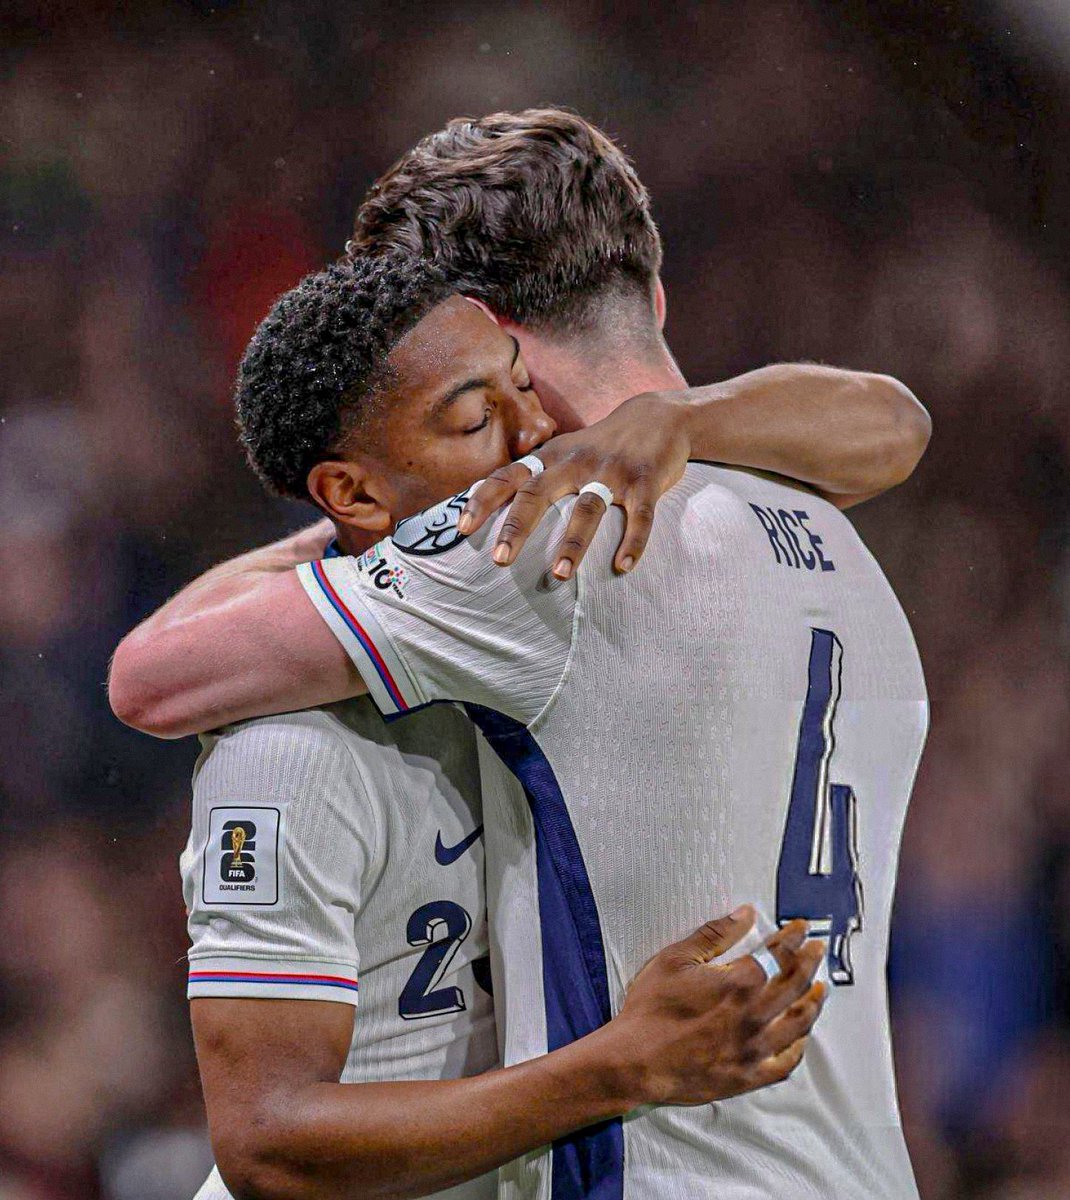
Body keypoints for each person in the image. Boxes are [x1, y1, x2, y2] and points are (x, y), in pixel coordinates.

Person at [110, 110, 930, 1199]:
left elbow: (152, 678)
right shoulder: (830, 521)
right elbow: (897, 422)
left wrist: (361, 521)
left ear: (470, 326)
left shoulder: (540, 537)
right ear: (655, 296)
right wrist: (688, 415)